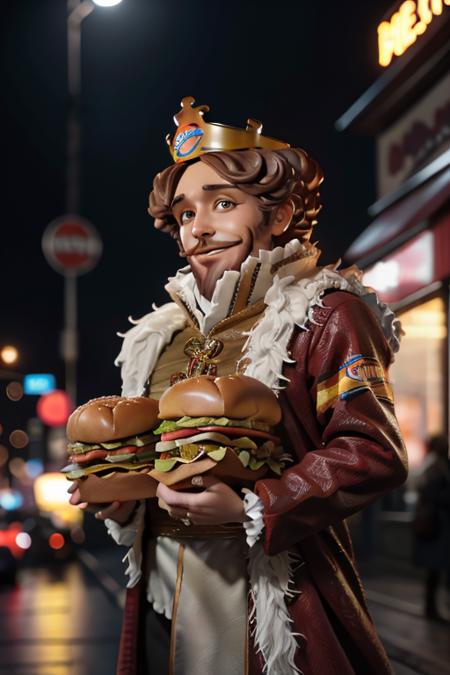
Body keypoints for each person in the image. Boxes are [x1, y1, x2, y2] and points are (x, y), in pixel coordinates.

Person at [69, 96, 408, 674]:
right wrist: (122, 494)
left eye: (223, 204)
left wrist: (257, 505)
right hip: (162, 583)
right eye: (183, 215)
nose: (199, 229)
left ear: (277, 215)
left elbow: (372, 452)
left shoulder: (327, 312)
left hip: (277, 588)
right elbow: (154, 459)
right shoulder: (159, 333)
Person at [413, 434, 450, 621]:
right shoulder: (436, 466)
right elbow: (433, 493)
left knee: (436, 570)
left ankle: (432, 607)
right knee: (435, 569)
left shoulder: (434, 464)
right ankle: (431, 608)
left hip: (438, 526)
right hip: (438, 526)